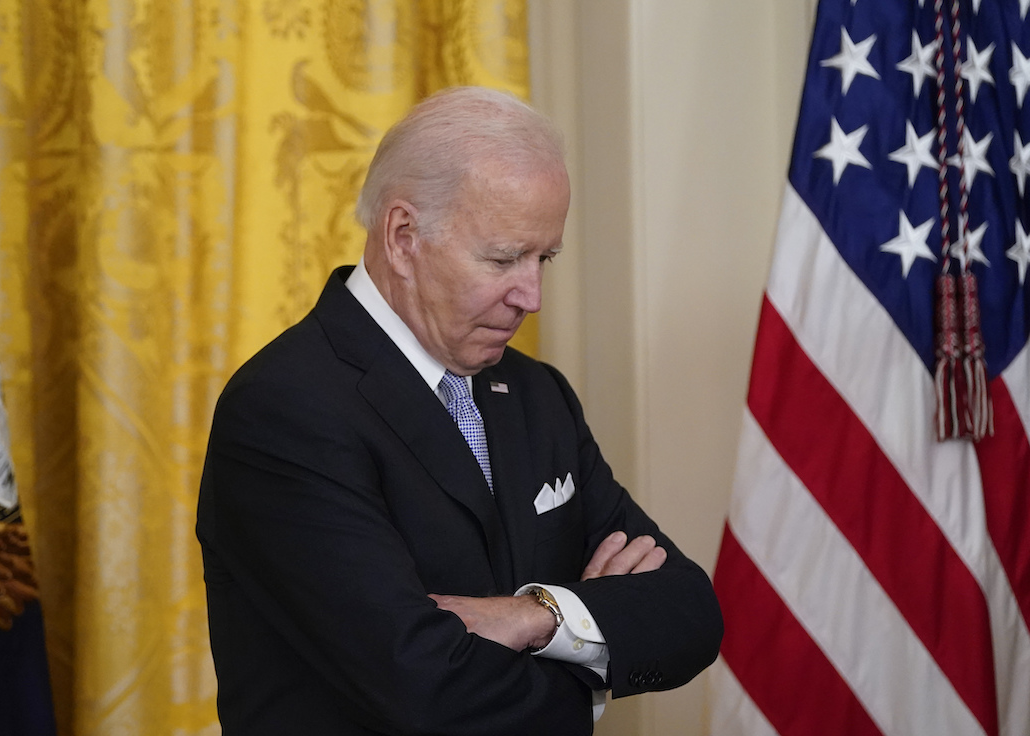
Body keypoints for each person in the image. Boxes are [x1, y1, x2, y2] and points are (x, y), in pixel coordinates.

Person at [196, 86, 722, 735]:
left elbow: (693, 614)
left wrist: (540, 615)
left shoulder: (538, 395)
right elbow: (425, 692)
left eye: (545, 258)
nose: (531, 296)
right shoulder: (285, 409)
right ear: (403, 237)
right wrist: (591, 669)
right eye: (503, 259)